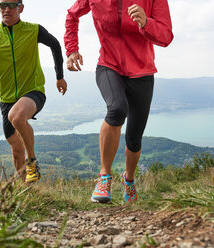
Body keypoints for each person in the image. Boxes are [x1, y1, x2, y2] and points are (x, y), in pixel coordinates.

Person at [64, 0, 173, 203]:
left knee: (134, 138)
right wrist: (71, 49)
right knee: (116, 109)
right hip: (109, 65)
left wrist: (146, 22)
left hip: (142, 72)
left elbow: (166, 36)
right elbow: (72, 15)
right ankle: (104, 178)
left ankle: (129, 180)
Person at [0, 0, 67, 183]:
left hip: (33, 91)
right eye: (2, 5)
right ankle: (26, 190)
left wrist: (59, 76)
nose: (6, 9)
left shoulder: (34, 30)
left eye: (11, 5)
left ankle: (32, 160)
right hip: (6, 98)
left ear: (21, 8)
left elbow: (55, 45)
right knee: (16, 149)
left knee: (17, 117)